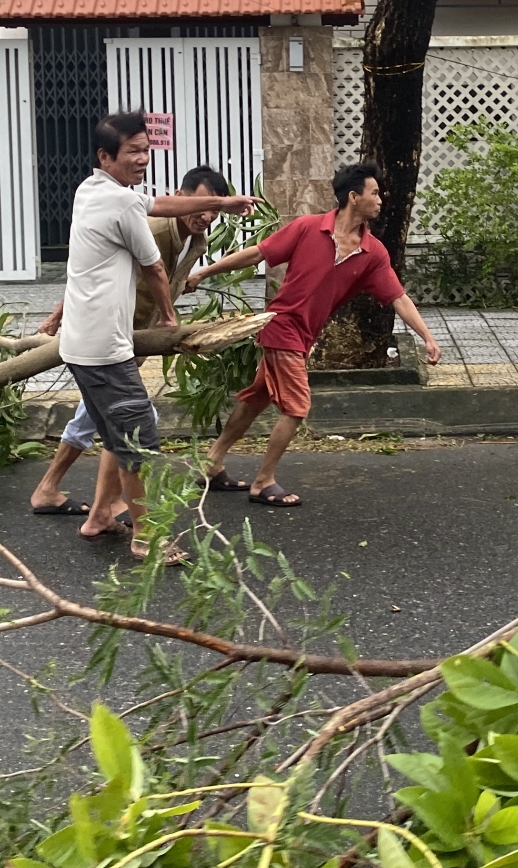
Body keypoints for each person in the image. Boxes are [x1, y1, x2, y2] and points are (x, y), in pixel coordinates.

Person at [44, 115, 252, 561]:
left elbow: (156, 203)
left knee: (117, 437)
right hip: (108, 345)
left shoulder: (91, 190)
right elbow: (154, 266)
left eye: (145, 149)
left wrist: (225, 202)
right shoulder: (123, 206)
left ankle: (100, 515)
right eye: (132, 151)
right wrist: (171, 316)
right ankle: (146, 537)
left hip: (84, 345)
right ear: (105, 157)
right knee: (140, 441)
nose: (142, 159)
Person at [187, 161, 442, 507]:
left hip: (304, 334)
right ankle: (263, 482)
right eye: (374, 193)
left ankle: (211, 461)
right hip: (281, 326)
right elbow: (256, 255)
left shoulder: (372, 253)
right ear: (353, 197)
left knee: (256, 399)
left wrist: (427, 336)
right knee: (296, 407)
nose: (380, 199)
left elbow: (398, 298)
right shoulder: (307, 228)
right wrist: (205, 273)